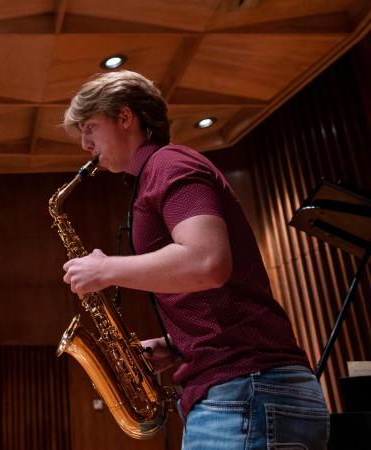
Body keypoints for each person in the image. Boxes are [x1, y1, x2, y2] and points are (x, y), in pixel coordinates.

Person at [60, 70, 329, 450]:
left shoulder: (170, 165)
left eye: (90, 127)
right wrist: (178, 342)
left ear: (124, 117)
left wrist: (107, 269)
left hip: (245, 392)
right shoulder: (157, 173)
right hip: (247, 390)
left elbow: (207, 262)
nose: (85, 144)